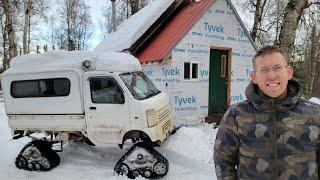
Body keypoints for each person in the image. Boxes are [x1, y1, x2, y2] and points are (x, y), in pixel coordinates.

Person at [214, 45, 320, 179]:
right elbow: (223, 160)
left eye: (277, 68)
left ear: (289, 72)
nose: (271, 75)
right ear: (254, 77)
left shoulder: (314, 113)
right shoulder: (236, 114)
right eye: (264, 70)